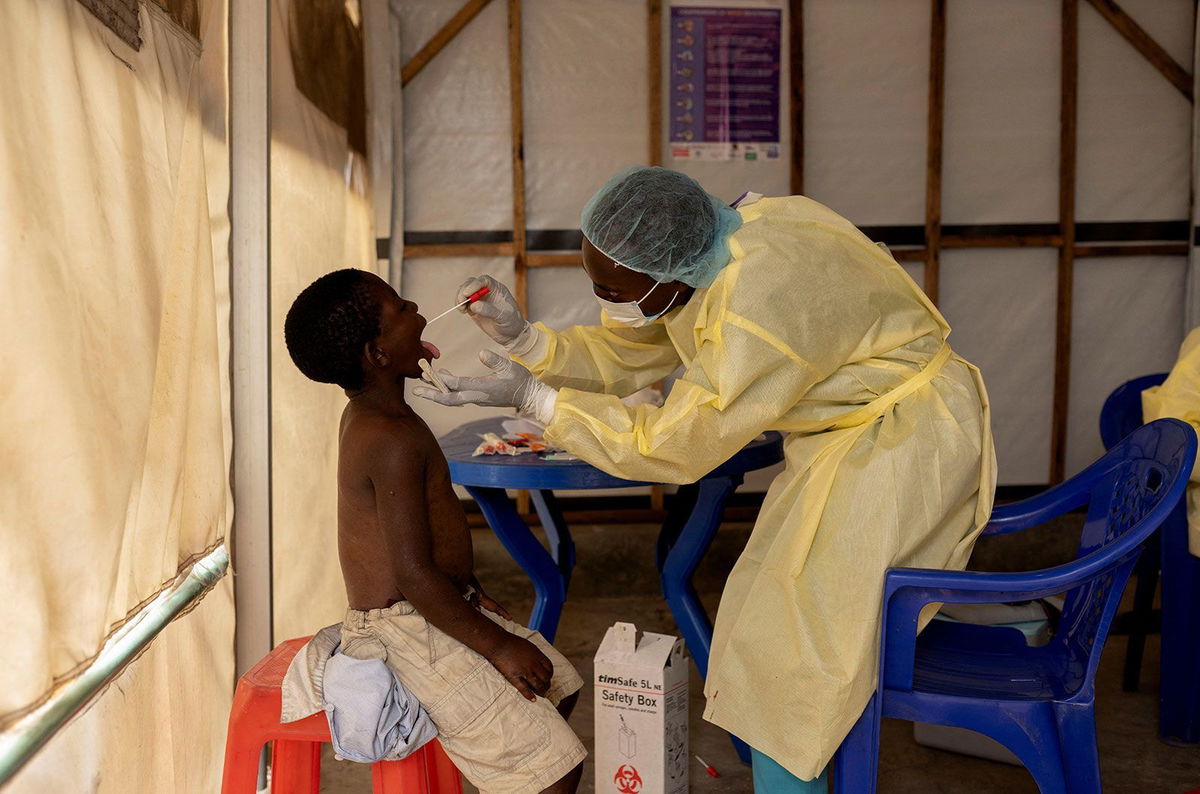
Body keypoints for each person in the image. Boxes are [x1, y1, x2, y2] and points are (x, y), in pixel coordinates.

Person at [414, 166, 997, 790]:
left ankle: (801, 769)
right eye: (595, 280)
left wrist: (539, 401)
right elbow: (640, 347)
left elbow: (676, 445)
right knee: (765, 627)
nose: (603, 296)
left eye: (613, 286)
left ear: (667, 271)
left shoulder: (759, 304)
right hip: (856, 437)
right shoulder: (726, 242)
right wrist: (529, 342)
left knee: (804, 657)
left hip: (903, 444)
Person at [283, 269, 585, 794]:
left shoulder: (378, 415)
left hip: (431, 605)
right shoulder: (390, 437)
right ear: (378, 355)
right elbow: (414, 574)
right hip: (407, 629)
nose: (416, 304)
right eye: (401, 308)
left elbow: (419, 555)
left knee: (556, 686)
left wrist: (472, 595)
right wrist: (495, 646)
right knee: (554, 774)